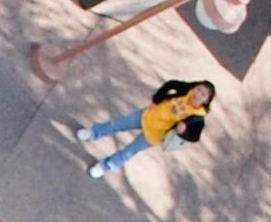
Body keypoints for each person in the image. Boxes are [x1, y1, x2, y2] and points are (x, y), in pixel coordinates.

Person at [70, 77, 214, 181]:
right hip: (147, 115)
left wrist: (184, 131)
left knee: (128, 152)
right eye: (198, 89)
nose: (197, 94)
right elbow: (171, 84)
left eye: (203, 94)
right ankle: (93, 133)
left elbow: (194, 136)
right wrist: (156, 99)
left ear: (206, 101)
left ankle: (104, 166)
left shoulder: (198, 117)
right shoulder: (186, 90)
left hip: (154, 135)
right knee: (117, 124)